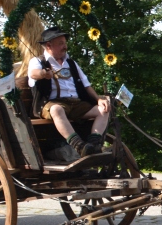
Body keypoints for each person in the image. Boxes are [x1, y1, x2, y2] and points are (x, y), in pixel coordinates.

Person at [27, 26, 110, 157]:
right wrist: (43, 73)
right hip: (51, 103)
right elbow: (33, 74)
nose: (65, 46)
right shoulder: (38, 61)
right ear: (48, 45)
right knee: (56, 110)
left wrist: (99, 100)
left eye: (65, 43)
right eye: (60, 43)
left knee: (104, 109)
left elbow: (86, 85)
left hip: (76, 104)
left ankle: (93, 143)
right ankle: (79, 146)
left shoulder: (71, 63)